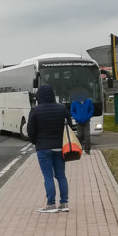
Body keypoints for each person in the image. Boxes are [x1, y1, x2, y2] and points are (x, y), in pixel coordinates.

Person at [27, 84, 71, 213]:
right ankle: (64, 204)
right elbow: (69, 125)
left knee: (48, 176)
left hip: (43, 148)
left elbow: (31, 130)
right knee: (61, 175)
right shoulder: (61, 108)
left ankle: (51, 204)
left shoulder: (36, 110)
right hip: (60, 147)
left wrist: (35, 142)